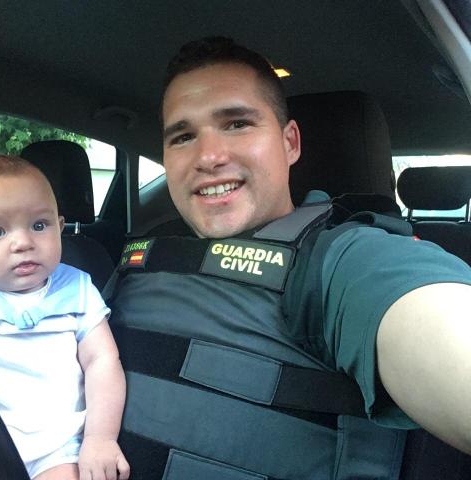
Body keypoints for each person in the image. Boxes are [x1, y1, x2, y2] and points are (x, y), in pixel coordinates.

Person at [107, 37, 471, 479]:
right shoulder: (142, 258)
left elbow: (435, 322)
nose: (208, 157)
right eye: (183, 136)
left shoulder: (344, 258)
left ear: (290, 142)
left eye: (237, 124)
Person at [0, 155, 129, 480]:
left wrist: (100, 439)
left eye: (39, 226)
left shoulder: (77, 289)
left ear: (60, 228)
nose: (23, 243)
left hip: (57, 448)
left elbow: (102, 360)